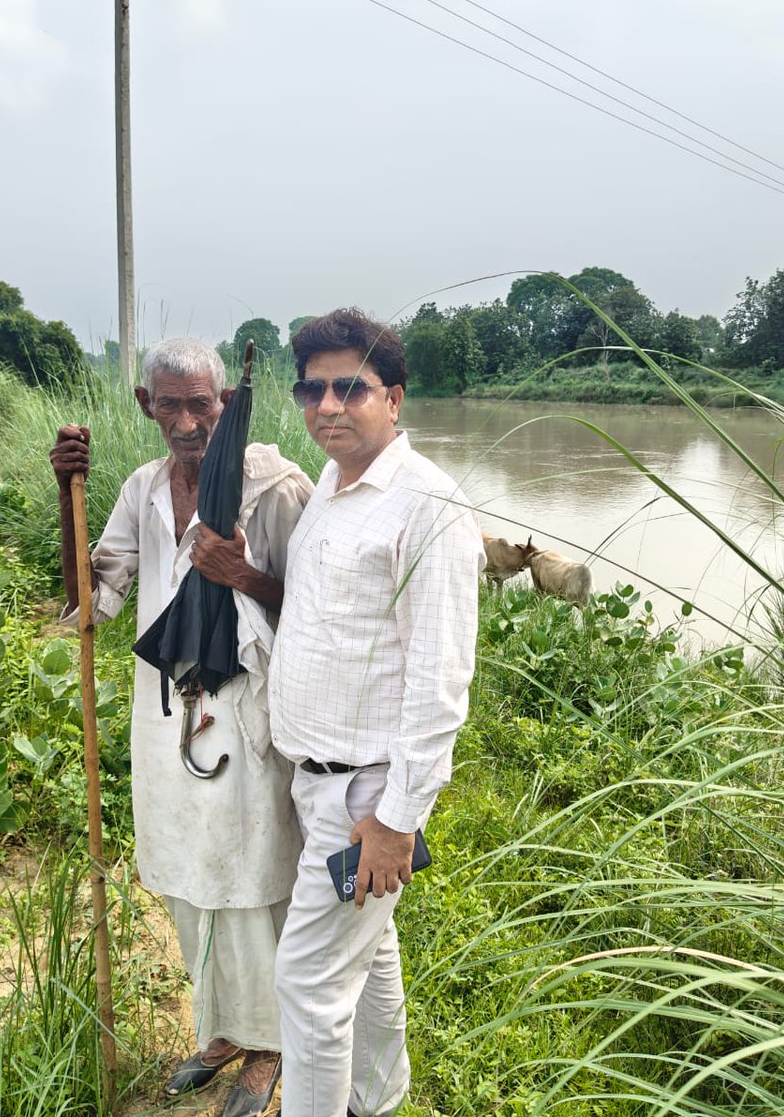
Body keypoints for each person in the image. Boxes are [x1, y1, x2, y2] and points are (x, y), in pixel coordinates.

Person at [50, 337, 313, 1117]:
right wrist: (65, 488)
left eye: (204, 403)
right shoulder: (140, 488)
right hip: (164, 712)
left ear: (226, 402)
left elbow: (315, 609)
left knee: (256, 874)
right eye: (172, 404)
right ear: (147, 408)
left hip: (244, 710)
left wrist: (245, 576)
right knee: (191, 877)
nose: (191, 421)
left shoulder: (275, 488)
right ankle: (224, 1031)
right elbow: (91, 599)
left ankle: (272, 1047)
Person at [268, 310, 485, 1117]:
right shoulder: (330, 484)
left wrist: (396, 822)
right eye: (313, 388)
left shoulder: (427, 506)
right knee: (373, 954)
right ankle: (379, 1098)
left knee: (310, 980)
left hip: (364, 796)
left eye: (349, 387)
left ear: (392, 398)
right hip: (315, 776)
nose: (328, 404)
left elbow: (439, 687)